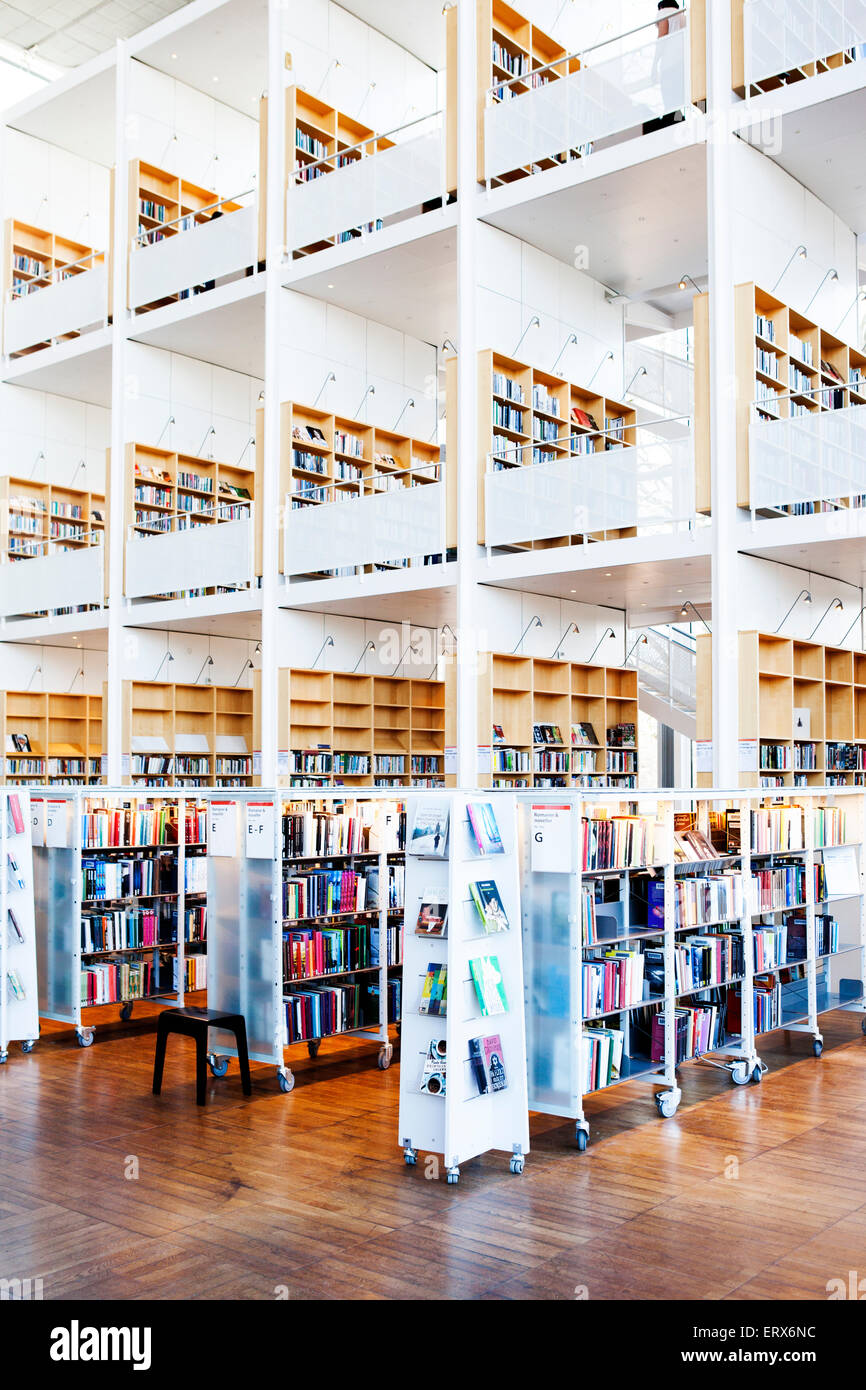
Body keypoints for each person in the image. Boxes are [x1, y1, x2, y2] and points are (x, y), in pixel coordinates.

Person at [643, 0, 687, 134]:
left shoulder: (664, 13)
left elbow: (662, 36)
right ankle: (679, 124)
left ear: (661, 6)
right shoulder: (683, 16)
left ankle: (672, 127)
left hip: (669, 62)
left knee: (668, 98)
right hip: (683, 63)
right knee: (678, 99)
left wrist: (654, 64)